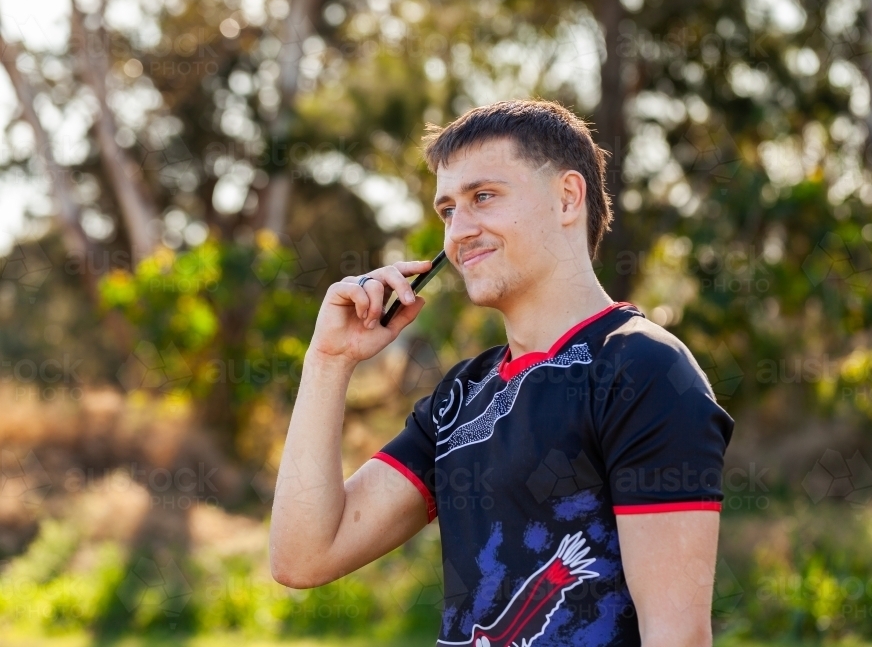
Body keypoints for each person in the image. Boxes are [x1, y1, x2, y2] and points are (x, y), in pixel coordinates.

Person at [270, 99, 735, 646]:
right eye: (447, 210)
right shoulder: (462, 395)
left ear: (567, 198)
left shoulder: (642, 370)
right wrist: (329, 361)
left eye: (482, 197)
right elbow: (304, 557)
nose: (459, 230)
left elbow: (676, 638)